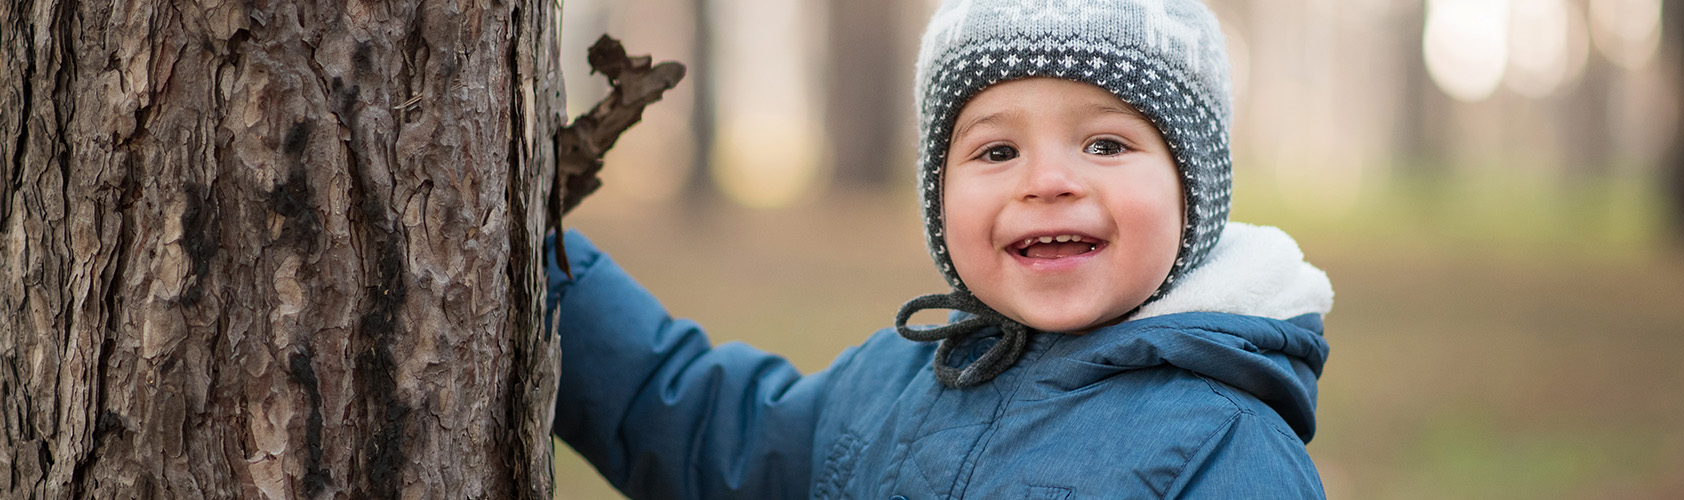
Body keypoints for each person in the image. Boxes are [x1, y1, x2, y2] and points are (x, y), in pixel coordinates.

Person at [546, 0, 1335, 497]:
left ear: (1191, 192)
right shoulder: (894, 383)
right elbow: (719, 440)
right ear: (939, 197)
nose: (1048, 180)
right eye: (997, 153)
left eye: (1104, 143)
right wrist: (553, 288)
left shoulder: (1226, 449)